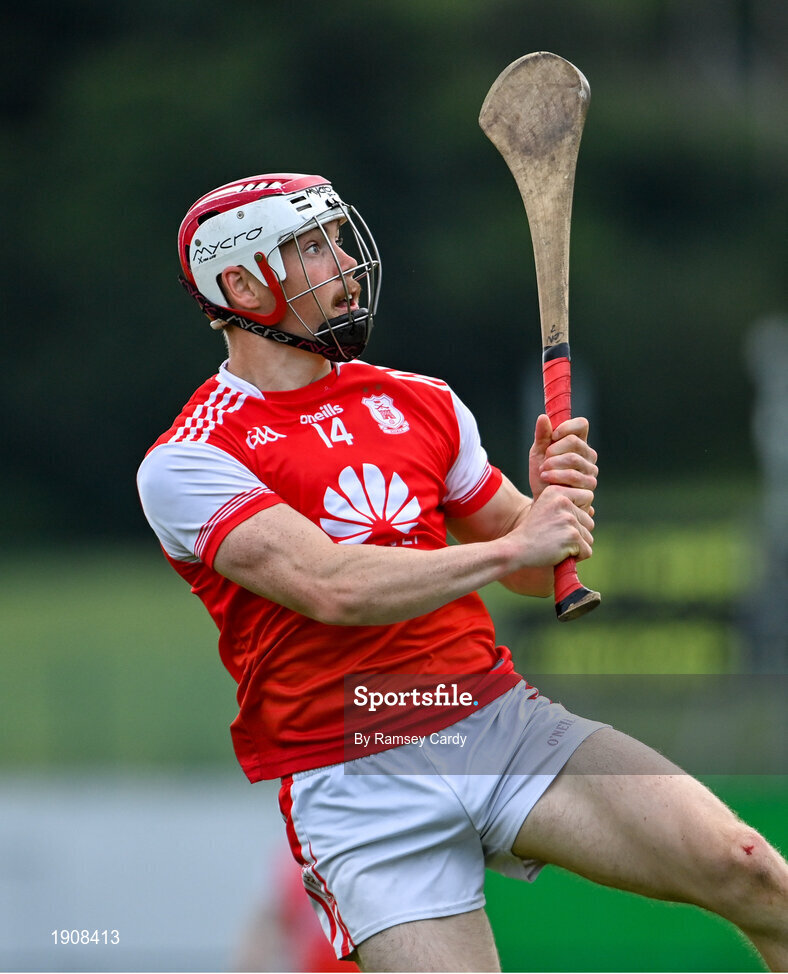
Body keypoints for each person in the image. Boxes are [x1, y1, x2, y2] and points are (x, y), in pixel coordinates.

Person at [137, 172, 788, 972]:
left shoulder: (421, 402)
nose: (345, 263)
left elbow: (531, 565)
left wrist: (549, 513)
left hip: (490, 720)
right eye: (311, 248)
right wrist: (515, 547)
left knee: (751, 870)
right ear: (240, 285)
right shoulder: (190, 459)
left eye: (339, 240)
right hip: (353, 775)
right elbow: (331, 586)